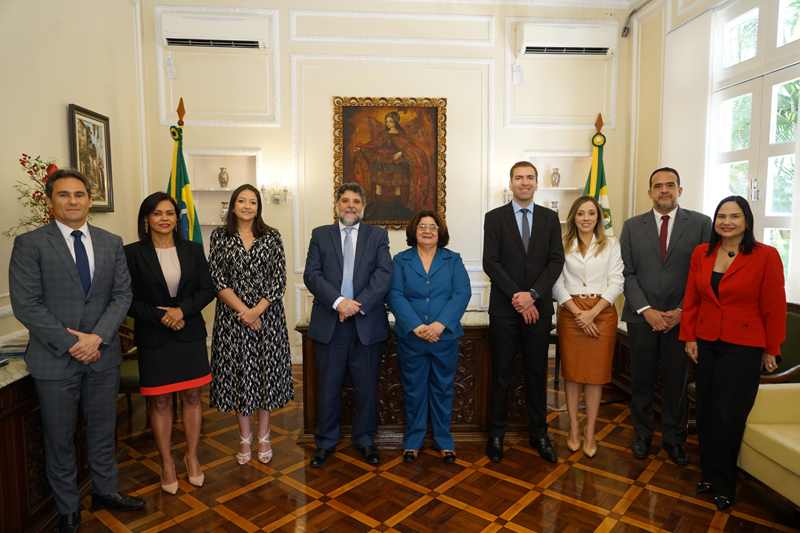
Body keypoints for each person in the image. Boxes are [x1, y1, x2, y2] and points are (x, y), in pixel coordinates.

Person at [9, 169, 145, 533]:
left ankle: (106, 491)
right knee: (60, 438)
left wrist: (96, 338)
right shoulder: (30, 244)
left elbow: (122, 295)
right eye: (64, 194)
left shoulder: (111, 242)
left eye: (79, 194)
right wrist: (73, 343)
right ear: (50, 201)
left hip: (103, 355)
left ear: (90, 200)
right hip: (54, 360)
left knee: (102, 430)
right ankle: (68, 508)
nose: (73, 201)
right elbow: (26, 305)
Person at [680, 195, 786, 510]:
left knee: (728, 414)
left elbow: (774, 305)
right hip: (706, 341)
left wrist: (772, 348)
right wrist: (689, 336)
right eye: (721, 216)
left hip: (744, 346)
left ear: (747, 221)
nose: (726, 222)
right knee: (706, 410)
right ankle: (708, 475)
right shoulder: (702, 252)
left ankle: (725, 484)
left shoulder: (766, 255)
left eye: (734, 216)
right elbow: (692, 296)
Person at [619, 167, 711, 466]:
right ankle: (642, 436)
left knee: (676, 383)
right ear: (650, 192)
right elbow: (626, 273)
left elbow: (704, 274)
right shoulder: (632, 226)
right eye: (658, 186)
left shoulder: (701, 224)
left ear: (679, 190)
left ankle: (674, 439)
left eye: (670, 185)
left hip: (680, 319)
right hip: (642, 318)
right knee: (641, 381)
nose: (664, 190)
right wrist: (646, 310)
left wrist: (682, 311)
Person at [124, 192, 216, 493]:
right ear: (146, 219)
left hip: (189, 334)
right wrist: (162, 316)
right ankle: (166, 463)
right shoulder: (131, 253)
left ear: (177, 218)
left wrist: (181, 311)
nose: (164, 218)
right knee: (160, 401)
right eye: (157, 213)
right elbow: (127, 299)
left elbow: (207, 290)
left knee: (192, 397)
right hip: (154, 337)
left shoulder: (193, 249)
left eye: (170, 213)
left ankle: (192, 457)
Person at [303, 183, 393, 467]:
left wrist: (356, 305)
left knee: (366, 388)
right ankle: (325, 442)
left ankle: (365, 440)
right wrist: (339, 302)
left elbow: (383, 274)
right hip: (330, 324)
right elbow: (312, 275)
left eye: (356, 201)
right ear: (337, 205)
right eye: (345, 201)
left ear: (363, 207)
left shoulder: (378, 235)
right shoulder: (320, 235)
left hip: (366, 324)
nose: (350, 205)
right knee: (328, 387)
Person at [483, 161, 565, 463]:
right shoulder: (494, 218)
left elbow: (556, 261)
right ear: (511, 183)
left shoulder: (550, 218)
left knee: (536, 372)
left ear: (537, 183)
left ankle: (539, 433)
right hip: (504, 310)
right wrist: (518, 297)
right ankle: (496, 434)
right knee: (501, 373)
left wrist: (532, 296)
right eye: (519, 177)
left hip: (538, 309)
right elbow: (491, 262)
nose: (525, 182)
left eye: (530, 177)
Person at [208, 184, 294, 466]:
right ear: (233, 206)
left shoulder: (272, 236)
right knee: (239, 377)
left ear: (259, 208)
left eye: (253, 202)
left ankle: (264, 436)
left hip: (267, 318)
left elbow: (278, 280)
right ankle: (244, 438)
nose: (247, 206)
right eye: (242, 201)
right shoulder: (219, 236)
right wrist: (245, 312)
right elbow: (217, 279)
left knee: (264, 376)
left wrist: (256, 311)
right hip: (232, 320)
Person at [385, 210, 471, 463]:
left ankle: (444, 442)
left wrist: (440, 325)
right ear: (414, 231)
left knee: (443, 389)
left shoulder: (452, 259)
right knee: (413, 390)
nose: (427, 231)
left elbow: (462, 293)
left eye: (433, 227)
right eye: (422, 226)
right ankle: (413, 441)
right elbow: (394, 294)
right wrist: (416, 326)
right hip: (411, 338)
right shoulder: (401, 260)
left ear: (440, 232)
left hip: (444, 338)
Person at [552, 196, 624, 458]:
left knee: (595, 376)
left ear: (598, 217)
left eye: (591, 213)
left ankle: (590, 431)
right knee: (572, 374)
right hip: (571, 312)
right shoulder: (561, 243)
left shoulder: (611, 244)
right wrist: (578, 313)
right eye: (581, 213)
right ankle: (573, 428)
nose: (586, 218)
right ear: (573, 217)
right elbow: (556, 283)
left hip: (601, 313)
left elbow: (617, 281)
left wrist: (592, 313)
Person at [354, 111, 431, 212]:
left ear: (395, 122)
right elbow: (374, 145)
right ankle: (377, 208)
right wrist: (361, 148)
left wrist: (401, 153)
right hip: (381, 161)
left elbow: (410, 148)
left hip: (396, 162)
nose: (388, 123)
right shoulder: (384, 134)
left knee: (397, 185)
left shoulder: (402, 135)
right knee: (379, 183)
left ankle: (396, 209)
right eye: (387, 121)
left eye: (390, 121)